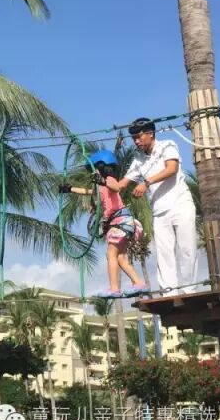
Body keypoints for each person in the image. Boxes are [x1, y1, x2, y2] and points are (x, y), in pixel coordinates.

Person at [118, 117, 199, 295]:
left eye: (139, 136)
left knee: (186, 248)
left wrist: (146, 183)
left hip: (181, 204)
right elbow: (122, 184)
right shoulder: (139, 159)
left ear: (150, 133)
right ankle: (169, 292)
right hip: (159, 211)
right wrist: (100, 184)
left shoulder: (167, 145)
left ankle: (189, 290)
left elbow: (171, 169)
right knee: (163, 253)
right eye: (133, 138)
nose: (136, 141)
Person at [60, 149, 148, 298]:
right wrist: (70, 189)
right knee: (120, 257)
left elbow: (116, 187)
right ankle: (139, 284)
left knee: (110, 254)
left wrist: (104, 181)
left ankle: (114, 288)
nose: (92, 174)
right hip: (123, 223)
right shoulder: (100, 186)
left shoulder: (109, 180)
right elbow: (89, 192)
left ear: (101, 168)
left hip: (120, 222)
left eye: (94, 170)